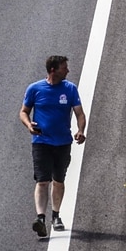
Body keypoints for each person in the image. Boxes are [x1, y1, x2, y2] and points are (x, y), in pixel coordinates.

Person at [19, 54, 87, 239]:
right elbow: (24, 112)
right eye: (64, 67)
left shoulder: (70, 89)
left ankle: (56, 216)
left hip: (63, 142)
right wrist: (28, 125)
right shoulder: (35, 89)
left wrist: (80, 130)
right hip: (41, 142)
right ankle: (40, 218)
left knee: (58, 179)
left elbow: (80, 113)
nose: (68, 70)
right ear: (53, 70)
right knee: (42, 180)